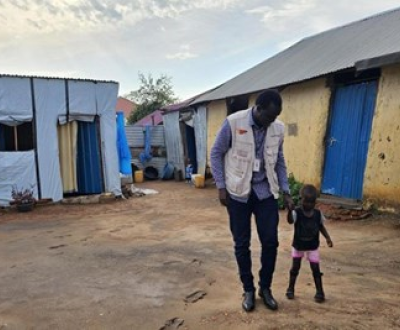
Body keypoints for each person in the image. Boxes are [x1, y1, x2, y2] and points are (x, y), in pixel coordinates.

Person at [210, 89, 294, 312]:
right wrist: (220, 186)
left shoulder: (277, 128)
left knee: (270, 242)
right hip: (238, 192)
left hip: (265, 192)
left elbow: (279, 161)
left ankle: (265, 288)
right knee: (241, 243)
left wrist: (286, 191)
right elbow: (216, 153)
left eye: (276, 117)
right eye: (269, 116)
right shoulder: (233, 122)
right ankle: (248, 289)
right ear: (258, 108)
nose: (272, 121)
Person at [286, 184, 333, 303]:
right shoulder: (296, 212)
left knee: (316, 269)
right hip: (298, 245)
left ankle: (320, 292)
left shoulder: (317, 214)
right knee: (295, 268)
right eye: (306, 202)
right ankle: (290, 289)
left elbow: (321, 226)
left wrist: (327, 238)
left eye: (311, 203)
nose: (309, 205)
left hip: (313, 245)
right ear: (301, 200)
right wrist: (289, 211)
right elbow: (290, 221)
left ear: (315, 202)